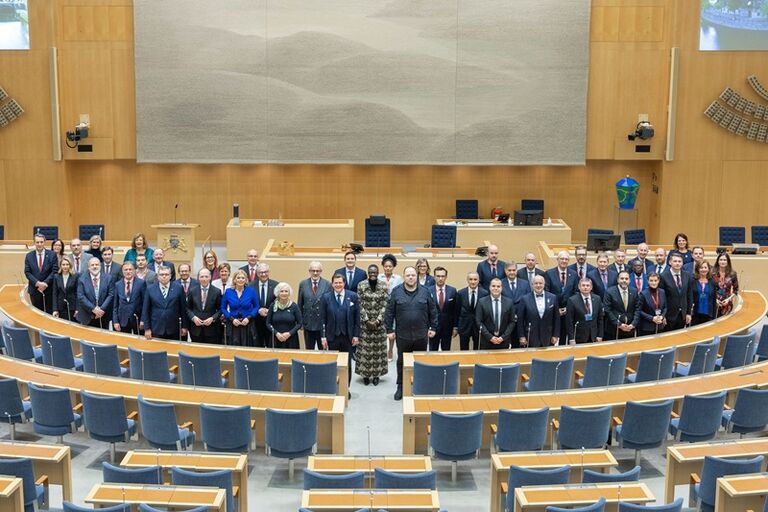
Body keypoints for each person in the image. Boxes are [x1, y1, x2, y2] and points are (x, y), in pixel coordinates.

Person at [384, 266, 438, 400]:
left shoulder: (425, 291)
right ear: (404, 276)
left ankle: (419, 387)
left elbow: (433, 311)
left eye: (413, 275)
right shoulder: (396, 292)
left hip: (421, 335)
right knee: (401, 361)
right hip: (403, 335)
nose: (411, 277)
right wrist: (389, 330)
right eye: (408, 275)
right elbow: (389, 312)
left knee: (419, 362)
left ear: (417, 276)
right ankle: (401, 387)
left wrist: (433, 328)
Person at [321, 275, 360, 391]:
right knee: (333, 363)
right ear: (332, 284)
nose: (338, 285)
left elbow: (357, 318)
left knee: (346, 363)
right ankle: (333, 386)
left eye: (340, 283)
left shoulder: (352, 296)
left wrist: (356, 335)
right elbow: (323, 319)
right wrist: (323, 337)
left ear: (344, 283)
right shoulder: (326, 297)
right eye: (335, 283)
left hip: (347, 336)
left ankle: (345, 388)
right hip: (332, 336)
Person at [355, 264, 389, 385]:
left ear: (378, 272)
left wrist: (378, 320)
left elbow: (386, 304)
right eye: (370, 272)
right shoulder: (361, 285)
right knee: (365, 351)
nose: (372, 274)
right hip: (365, 325)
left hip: (379, 325)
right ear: (368, 273)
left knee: (378, 351)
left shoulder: (384, 285)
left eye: (375, 272)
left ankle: (376, 375)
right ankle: (365, 375)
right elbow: (359, 303)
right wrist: (366, 320)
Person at [142, 265, 187, 340]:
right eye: (162, 274)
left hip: (174, 328)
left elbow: (183, 308)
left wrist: (184, 326)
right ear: (157, 276)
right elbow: (145, 310)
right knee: (157, 351)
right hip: (156, 328)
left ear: (170, 276)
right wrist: (147, 328)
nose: (164, 276)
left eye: (166, 274)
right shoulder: (150, 289)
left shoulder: (178, 288)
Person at [517, 275, 560, 348]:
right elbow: (520, 320)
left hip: (548, 337)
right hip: (530, 337)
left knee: (548, 359)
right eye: (536, 283)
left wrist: (555, 335)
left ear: (544, 284)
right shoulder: (524, 299)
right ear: (532, 285)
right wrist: (522, 336)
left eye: (540, 283)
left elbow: (556, 318)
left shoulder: (553, 297)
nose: (538, 285)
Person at [297, 261, 331, 350]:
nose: (315, 273)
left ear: (321, 271)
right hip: (308, 323)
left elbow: (329, 305)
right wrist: (300, 322)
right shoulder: (303, 284)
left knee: (322, 350)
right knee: (309, 349)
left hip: (322, 323)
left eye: (317, 271)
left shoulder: (327, 284)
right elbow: (300, 304)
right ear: (309, 271)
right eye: (313, 270)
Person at [544, 250, 577, 341]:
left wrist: (569, 307)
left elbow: (576, 292)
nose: (564, 261)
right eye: (562, 259)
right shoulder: (549, 273)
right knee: (552, 336)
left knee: (565, 336)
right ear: (557, 260)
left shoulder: (574, 274)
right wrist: (555, 308)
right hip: (553, 310)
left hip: (568, 310)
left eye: (566, 259)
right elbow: (546, 292)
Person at [475, 278, 516, 349]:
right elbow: (479, 321)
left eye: (498, 286)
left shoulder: (509, 302)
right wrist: (490, 337)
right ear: (489, 287)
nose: (496, 288)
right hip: (486, 341)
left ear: (502, 288)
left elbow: (512, 322)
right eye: (493, 286)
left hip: (503, 341)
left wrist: (503, 337)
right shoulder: (481, 302)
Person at [220, 269, 259, 346]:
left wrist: (249, 317)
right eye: (238, 278)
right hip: (233, 324)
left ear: (246, 280)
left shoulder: (251, 291)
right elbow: (223, 308)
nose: (240, 280)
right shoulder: (228, 292)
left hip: (247, 324)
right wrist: (231, 319)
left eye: (243, 278)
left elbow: (256, 306)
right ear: (234, 279)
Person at [76, 257, 114, 329]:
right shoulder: (82, 279)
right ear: (89, 267)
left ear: (100, 266)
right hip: (87, 315)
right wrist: (94, 309)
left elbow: (111, 294)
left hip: (103, 315)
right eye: (92, 265)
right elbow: (81, 296)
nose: (94, 267)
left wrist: (101, 310)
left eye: (96, 264)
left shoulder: (108, 278)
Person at [24, 233, 58, 313]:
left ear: (44, 242)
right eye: (37, 242)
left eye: (41, 242)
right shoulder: (29, 256)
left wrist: (45, 283)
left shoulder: (52, 254)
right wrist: (38, 283)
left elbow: (54, 271)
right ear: (34, 243)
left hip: (48, 289)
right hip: (34, 290)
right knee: (37, 314)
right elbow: (27, 272)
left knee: (49, 314)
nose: (39, 244)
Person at [186, 268, 222, 343]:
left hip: (211, 329)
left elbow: (220, 309)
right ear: (198, 278)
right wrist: (193, 317)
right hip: (196, 329)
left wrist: (212, 318)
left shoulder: (217, 291)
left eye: (206, 276)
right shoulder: (192, 291)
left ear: (210, 277)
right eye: (202, 276)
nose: (204, 279)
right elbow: (187, 308)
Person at [427, 266, 459, 351]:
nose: (440, 278)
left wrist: (455, 327)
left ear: (446, 277)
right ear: (434, 277)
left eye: (442, 276)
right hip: (433, 327)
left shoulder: (452, 290)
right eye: (438, 276)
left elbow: (455, 310)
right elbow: (426, 311)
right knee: (432, 351)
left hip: (447, 327)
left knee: (446, 350)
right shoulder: (428, 291)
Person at [660, 254, 695, 330]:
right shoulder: (663, 276)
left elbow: (689, 295)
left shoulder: (687, 275)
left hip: (683, 314)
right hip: (669, 315)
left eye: (679, 261)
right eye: (675, 261)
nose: (677, 263)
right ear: (670, 262)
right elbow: (661, 298)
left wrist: (689, 313)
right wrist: (663, 315)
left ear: (682, 263)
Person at [565, 279, 604, 344]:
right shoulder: (572, 300)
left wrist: (600, 335)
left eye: (587, 285)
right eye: (583, 285)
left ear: (591, 287)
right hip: (578, 336)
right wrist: (571, 338)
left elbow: (600, 319)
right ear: (579, 287)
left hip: (593, 336)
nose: (585, 287)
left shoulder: (597, 299)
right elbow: (569, 321)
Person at [603, 271, 640, 340]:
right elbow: (607, 310)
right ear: (618, 280)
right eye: (622, 278)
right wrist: (619, 324)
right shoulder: (609, 292)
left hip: (630, 328)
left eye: (626, 279)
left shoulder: (634, 291)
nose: (624, 281)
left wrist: (633, 324)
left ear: (629, 280)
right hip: (614, 329)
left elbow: (637, 308)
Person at [457, 272, 488, 350]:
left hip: (478, 326)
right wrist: (456, 327)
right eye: (470, 279)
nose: (473, 282)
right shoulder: (461, 293)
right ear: (467, 280)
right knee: (464, 349)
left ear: (478, 280)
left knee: (477, 349)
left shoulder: (485, 293)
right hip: (464, 326)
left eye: (475, 279)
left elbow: (486, 312)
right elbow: (456, 311)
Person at [113, 261, 145, 335]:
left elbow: (145, 304)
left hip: (137, 320)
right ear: (122, 271)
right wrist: (115, 321)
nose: (128, 271)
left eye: (130, 269)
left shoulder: (141, 283)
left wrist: (143, 320)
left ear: (134, 270)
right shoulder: (117, 284)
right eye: (126, 270)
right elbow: (115, 305)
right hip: (123, 320)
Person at [267, 282, 303, 349]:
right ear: (278, 293)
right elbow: (268, 323)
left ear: (289, 293)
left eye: (286, 291)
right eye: (281, 291)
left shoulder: (294, 306)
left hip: (291, 339)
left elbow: (299, 323)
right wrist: (276, 333)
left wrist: (289, 334)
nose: (284, 293)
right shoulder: (273, 306)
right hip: (275, 338)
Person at [251, 263, 278, 347]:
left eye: (265, 272)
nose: (263, 274)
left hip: (271, 321)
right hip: (256, 321)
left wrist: (269, 310)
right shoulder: (250, 286)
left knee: (271, 346)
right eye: (261, 272)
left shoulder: (276, 285)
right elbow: (248, 302)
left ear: (269, 272)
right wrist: (258, 310)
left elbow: (278, 301)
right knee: (257, 346)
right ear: (257, 273)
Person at [714, 251, 739, 317]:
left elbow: (736, 290)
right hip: (714, 302)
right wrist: (715, 299)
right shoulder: (712, 273)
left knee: (725, 325)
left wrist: (729, 299)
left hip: (727, 304)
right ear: (718, 261)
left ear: (728, 262)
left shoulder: (733, 274)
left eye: (725, 260)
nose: (722, 262)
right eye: (721, 260)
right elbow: (709, 288)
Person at [692, 260, 716, 325]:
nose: (703, 269)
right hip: (695, 313)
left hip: (708, 313)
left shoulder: (712, 282)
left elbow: (714, 300)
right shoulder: (692, 281)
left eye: (705, 267)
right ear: (697, 269)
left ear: (708, 269)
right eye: (701, 267)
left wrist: (714, 316)